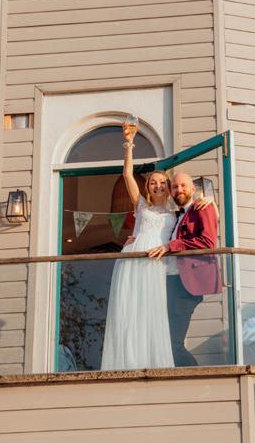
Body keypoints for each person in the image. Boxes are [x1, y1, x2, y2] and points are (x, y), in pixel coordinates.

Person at [100, 121, 212, 370]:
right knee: (133, 311)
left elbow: (193, 206)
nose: (158, 185)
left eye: (163, 182)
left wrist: (210, 199)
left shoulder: (176, 210)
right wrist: (129, 144)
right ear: (148, 186)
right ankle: (129, 361)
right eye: (153, 182)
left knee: (155, 313)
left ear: (169, 188)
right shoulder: (140, 205)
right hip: (137, 259)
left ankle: (155, 362)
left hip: (161, 264)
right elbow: (127, 175)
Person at [148, 173, 221, 366]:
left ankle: (198, 380)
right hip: (170, 281)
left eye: (183, 186)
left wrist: (170, 246)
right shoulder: (178, 215)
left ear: (193, 188)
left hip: (185, 286)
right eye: (174, 187)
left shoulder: (202, 207)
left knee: (174, 345)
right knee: (164, 343)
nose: (179, 190)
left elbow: (208, 242)